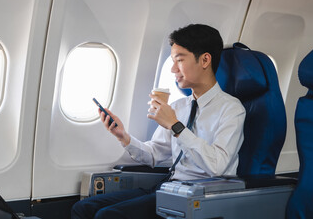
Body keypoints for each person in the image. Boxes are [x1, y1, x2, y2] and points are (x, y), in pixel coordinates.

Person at [71, 24, 246, 219]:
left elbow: (218, 166)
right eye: (172, 61)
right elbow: (154, 155)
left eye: (179, 60)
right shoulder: (179, 107)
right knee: (83, 208)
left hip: (199, 196)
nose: (173, 69)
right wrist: (124, 137)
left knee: (108, 216)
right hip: (167, 187)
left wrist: (176, 126)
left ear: (205, 60)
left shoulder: (231, 109)